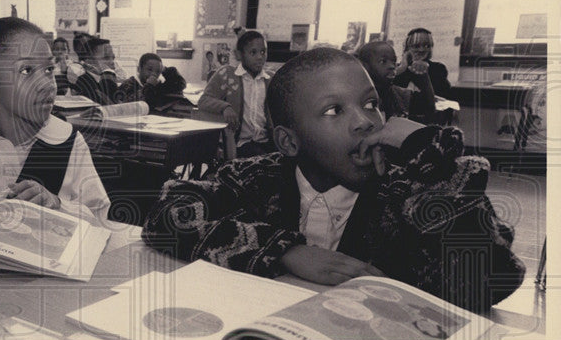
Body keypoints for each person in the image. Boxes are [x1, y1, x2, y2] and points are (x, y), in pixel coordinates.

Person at [142, 47, 525, 312]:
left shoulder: (406, 187)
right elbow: (167, 215)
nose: (364, 121)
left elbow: (492, 278)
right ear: (289, 141)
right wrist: (285, 252)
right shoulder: (256, 177)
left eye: (371, 104)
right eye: (333, 110)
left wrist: (429, 159)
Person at [0, 17, 110, 225]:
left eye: (49, 70)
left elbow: (100, 219)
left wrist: (58, 205)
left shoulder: (70, 145)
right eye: (26, 71)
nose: (47, 85)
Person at [197, 29, 274, 158]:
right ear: (239, 55)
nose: (260, 57)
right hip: (240, 144)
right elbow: (204, 101)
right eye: (253, 52)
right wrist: (225, 107)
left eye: (263, 52)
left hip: (267, 142)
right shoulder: (227, 74)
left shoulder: (271, 79)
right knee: (261, 161)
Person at [356, 41, 436, 123]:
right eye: (383, 61)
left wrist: (424, 76)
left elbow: (428, 107)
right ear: (364, 66)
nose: (392, 66)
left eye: (393, 61)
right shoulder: (355, 98)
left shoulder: (400, 95)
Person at [393, 28, 454, 121]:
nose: (422, 50)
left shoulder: (438, 69)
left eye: (427, 46)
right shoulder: (397, 69)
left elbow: (445, 98)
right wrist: (404, 65)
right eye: (416, 46)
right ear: (407, 48)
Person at [72, 37, 119, 105]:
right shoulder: (83, 82)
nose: (112, 62)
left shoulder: (108, 78)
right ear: (88, 62)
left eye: (113, 58)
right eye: (106, 58)